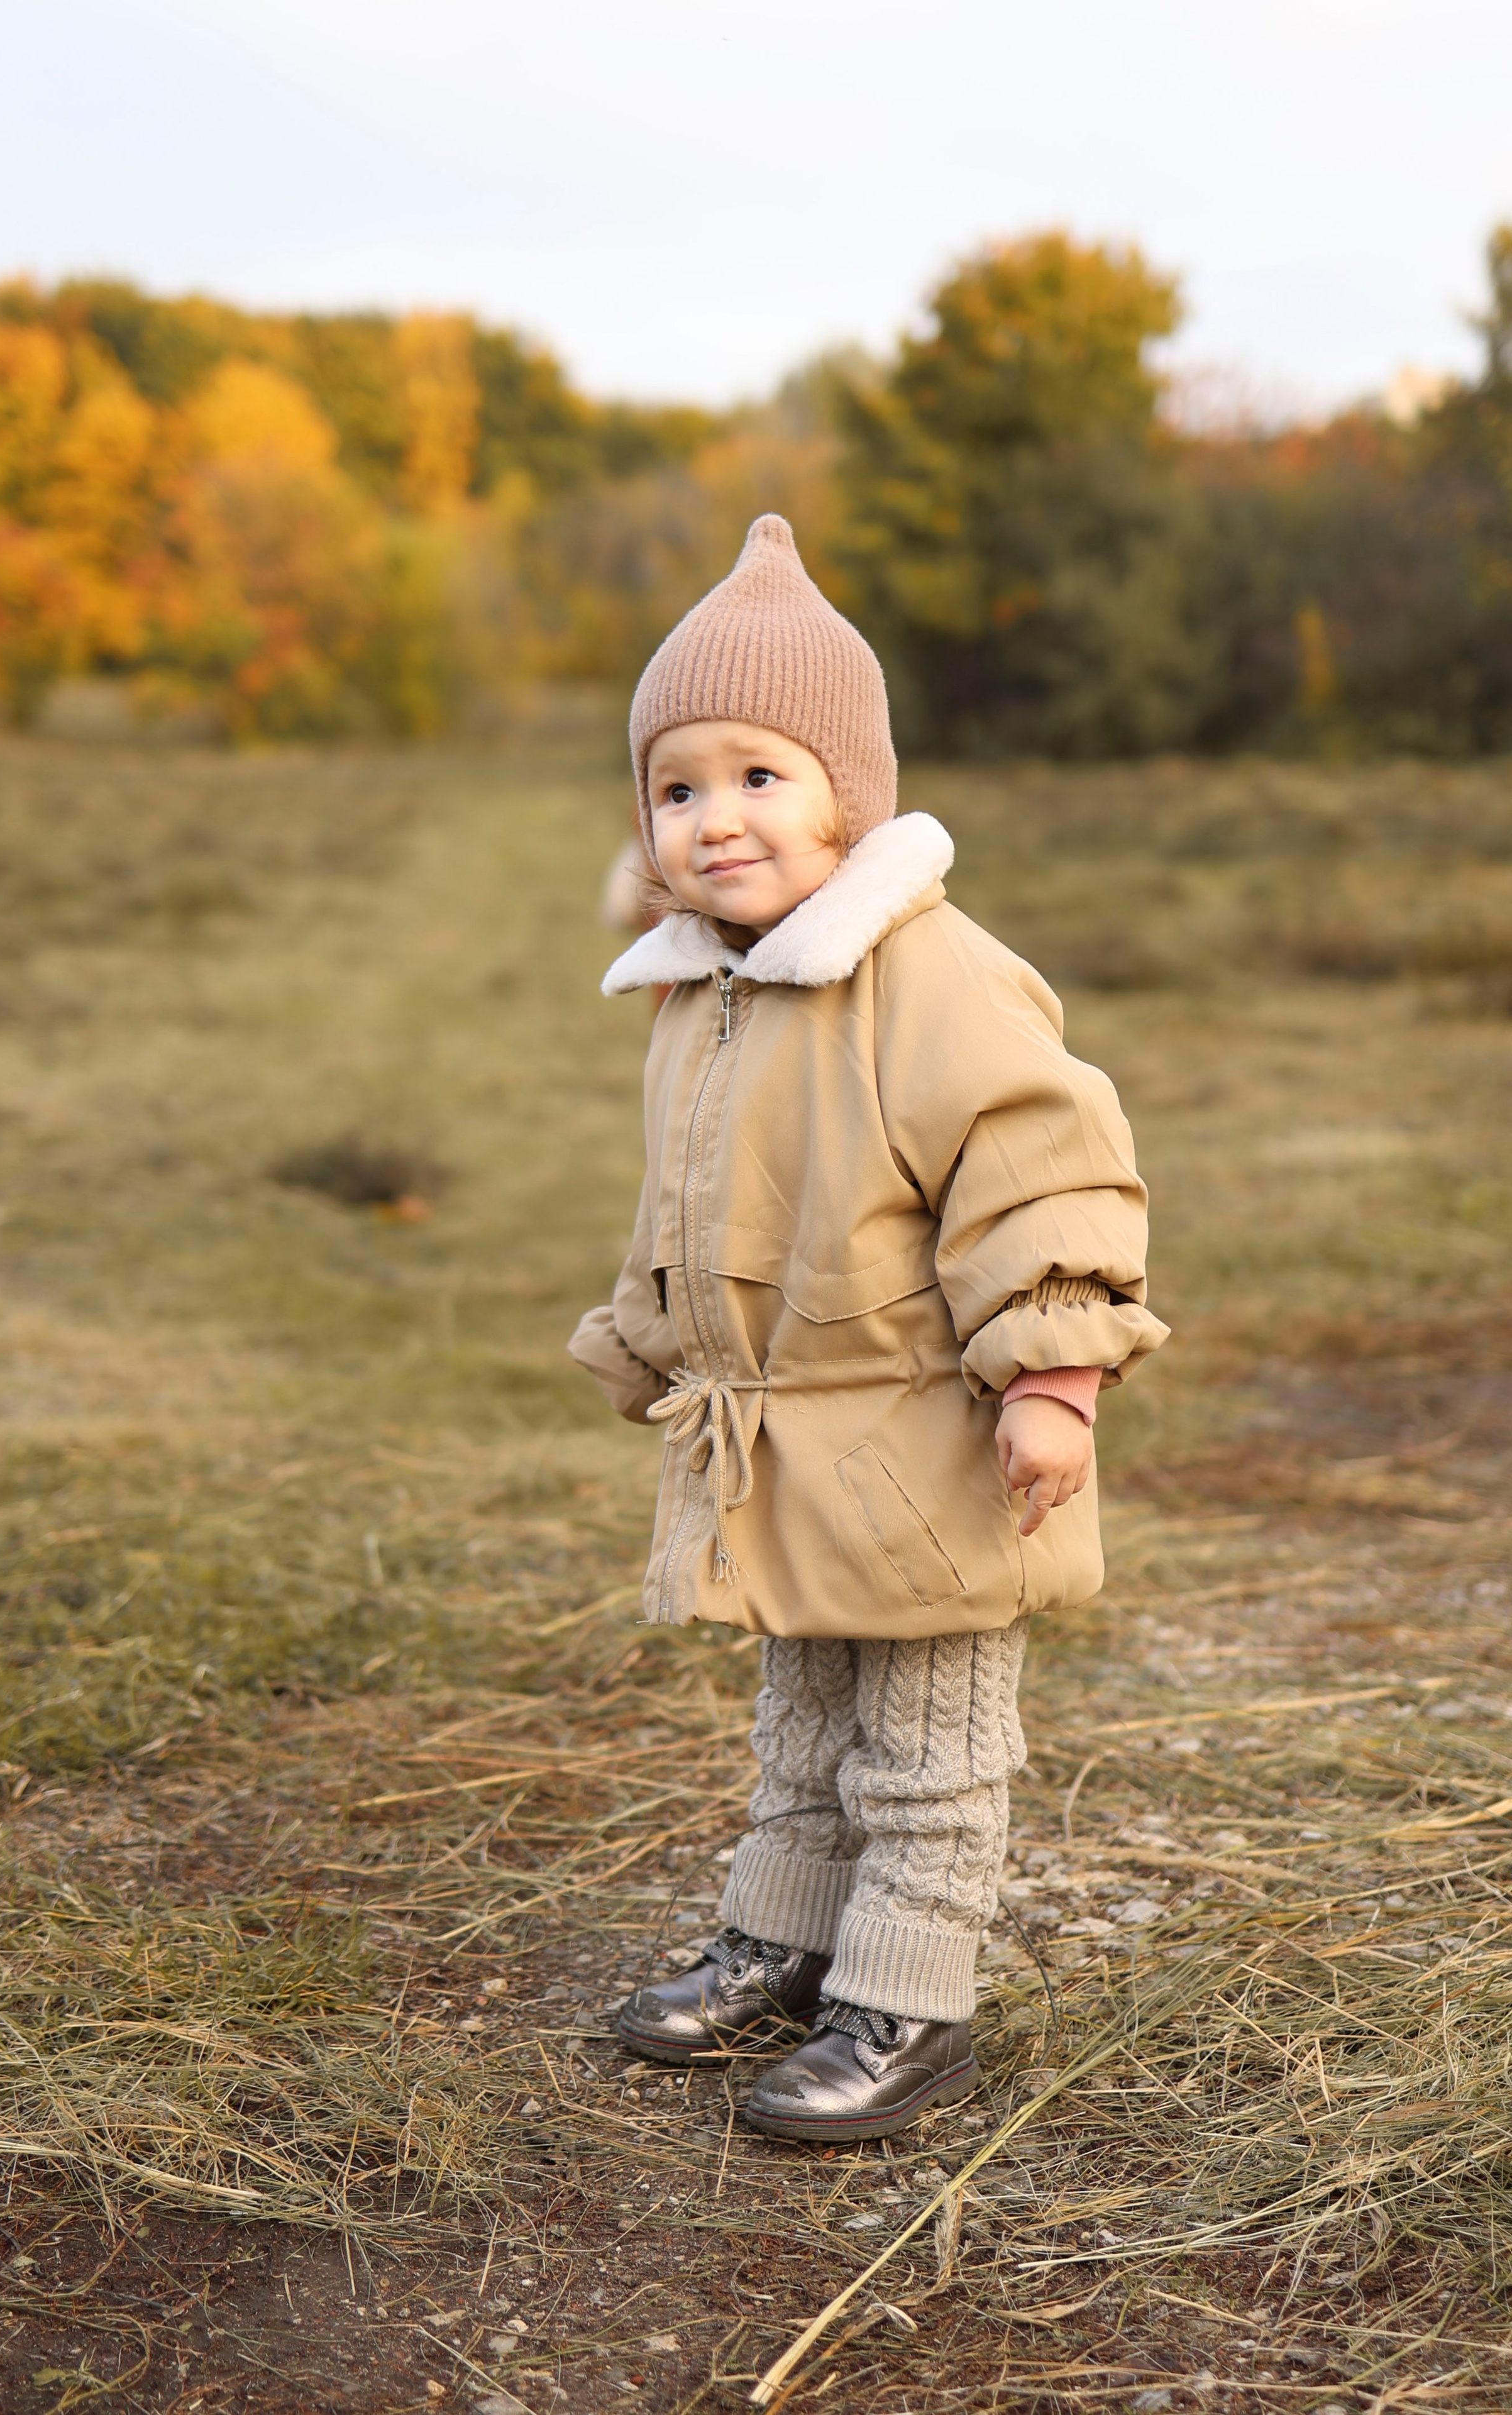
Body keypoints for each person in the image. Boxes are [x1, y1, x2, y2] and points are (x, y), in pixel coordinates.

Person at [568, 516, 1167, 2145]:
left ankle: (911, 1996)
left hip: (933, 1442)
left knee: (924, 1739)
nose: (715, 819)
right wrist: (645, 1340)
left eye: (760, 776)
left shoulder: (932, 978)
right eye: (678, 788)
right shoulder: (704, 998)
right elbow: (686, 1210)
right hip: (790, 1441)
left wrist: (1053, 1372)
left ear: (850, 791)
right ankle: (787, 1939)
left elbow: (1046, 1171)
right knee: (805, 1718)